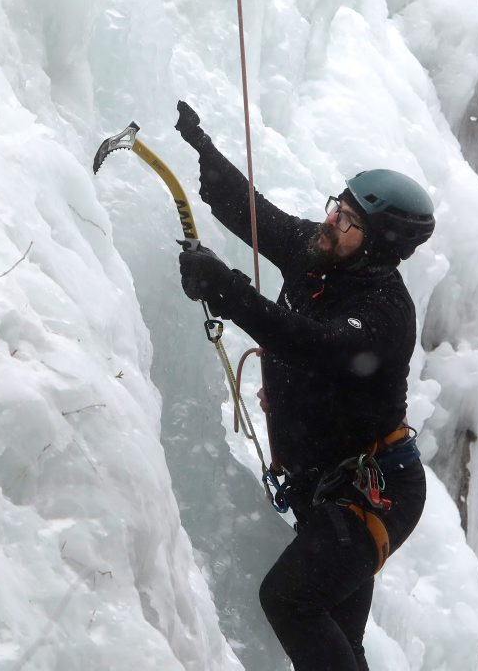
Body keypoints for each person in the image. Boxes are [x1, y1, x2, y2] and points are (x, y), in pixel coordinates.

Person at [174, 100, 434, 671]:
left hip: (374, 490)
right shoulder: (319, 254)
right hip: (328, 487)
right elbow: (256, 216)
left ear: (377, 245)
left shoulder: (384, 312)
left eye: (350, 221)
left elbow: (312, 344)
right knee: (339, 639)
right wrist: (202, 150)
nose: (332, 221)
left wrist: (226, 289)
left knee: (289, 601)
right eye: (338, 206)